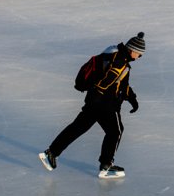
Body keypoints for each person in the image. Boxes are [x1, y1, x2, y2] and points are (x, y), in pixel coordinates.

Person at [39, 32, 146, 179]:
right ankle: (106, 166)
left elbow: (121, 84)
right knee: (116, 131)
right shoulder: (120, 61)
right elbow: (110, 80)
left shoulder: (112, 53)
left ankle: (51, 153)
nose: (139, 57)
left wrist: (132, 98)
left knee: (77, 127)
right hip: (106, 103)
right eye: (139, 54)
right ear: (132, 50)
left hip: (93, 100)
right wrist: (102, 95)